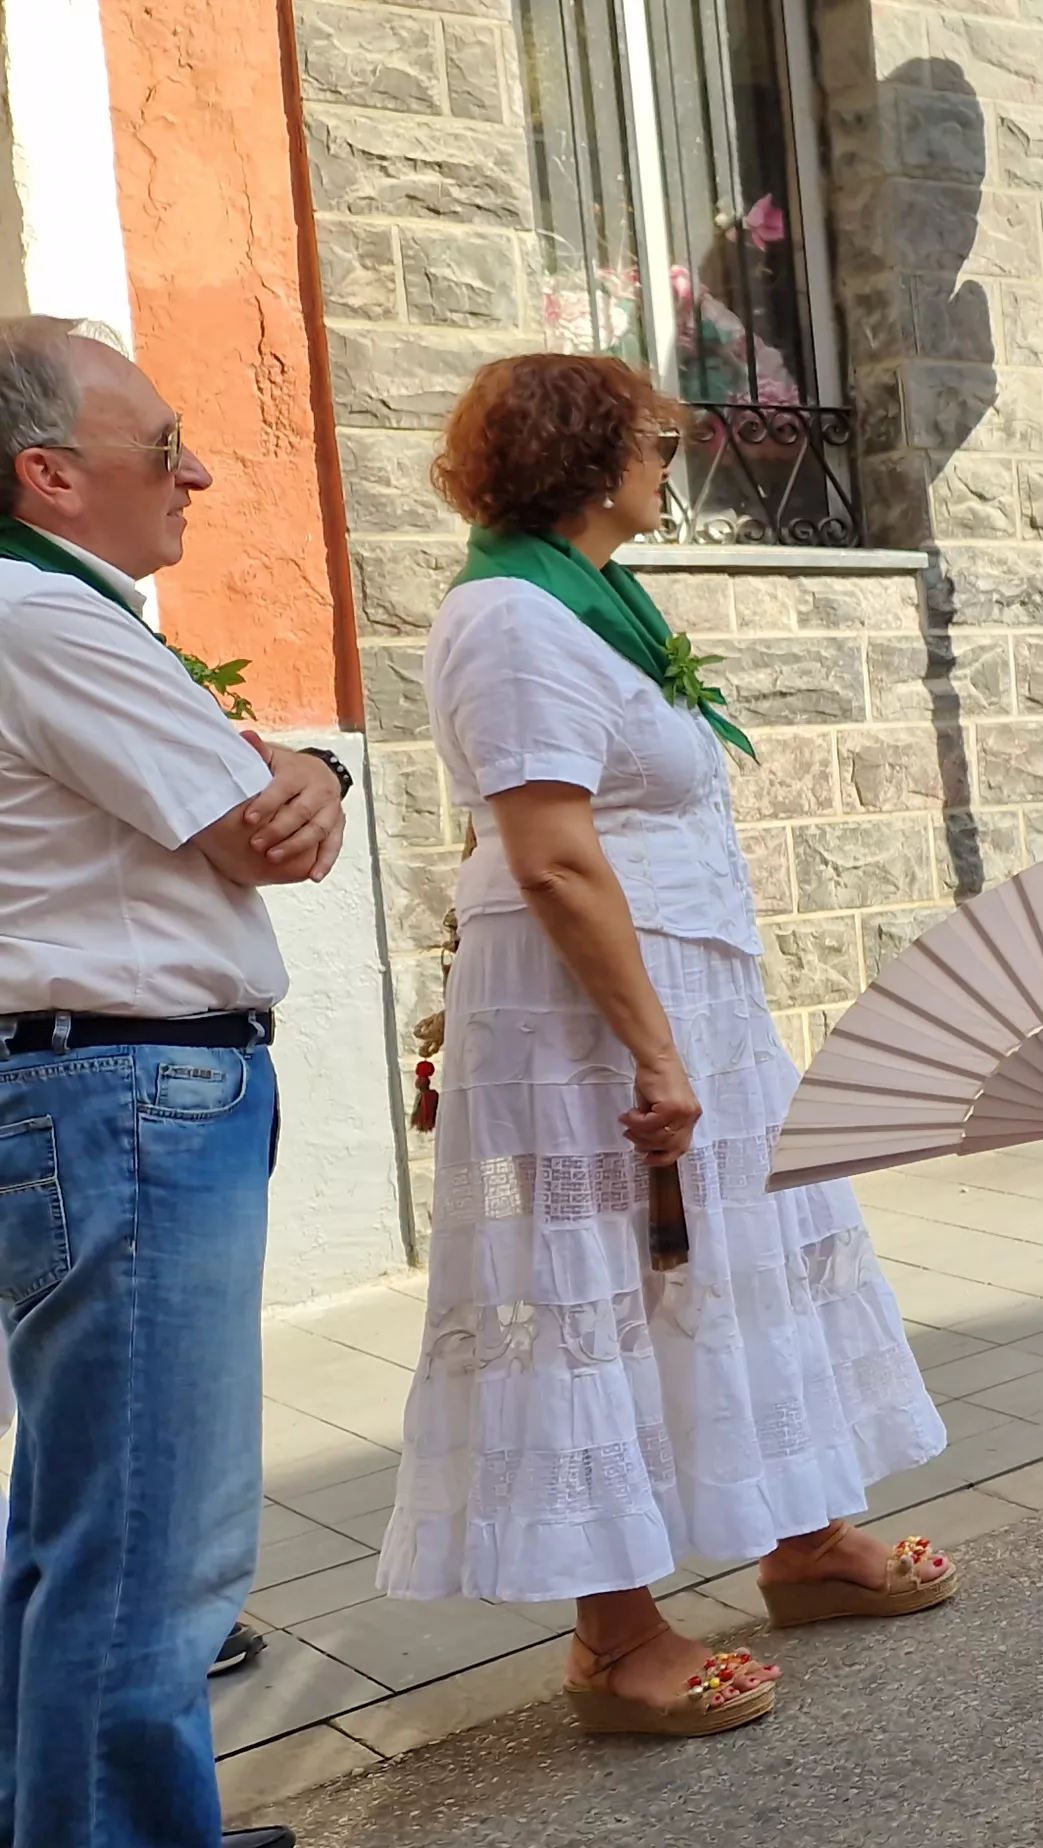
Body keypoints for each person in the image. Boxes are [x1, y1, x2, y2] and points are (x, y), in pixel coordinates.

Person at [381, 353, 953, 1738]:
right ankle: (615, 1638)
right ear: (590, 457)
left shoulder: (594, 603)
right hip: (594, 1015)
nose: (670, 458)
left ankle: (804, 1541)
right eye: (653, 438)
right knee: (611, 1276)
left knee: (746, 1252)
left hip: (677, 985)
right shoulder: (513, 617)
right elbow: (553, 855)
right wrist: (654, 1055)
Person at [0, 315, 338, 1848]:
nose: (194, 470)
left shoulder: (60, 614)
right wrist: (302, 783)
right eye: (164, 446)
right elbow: (242, 824)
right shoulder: (44, 617)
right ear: (50, 474)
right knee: (152, 1546)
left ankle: (80, 1817)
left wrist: (320, 773)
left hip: (104, 1092)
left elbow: (276, 791)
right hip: (127, 1096)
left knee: (82, 1528)